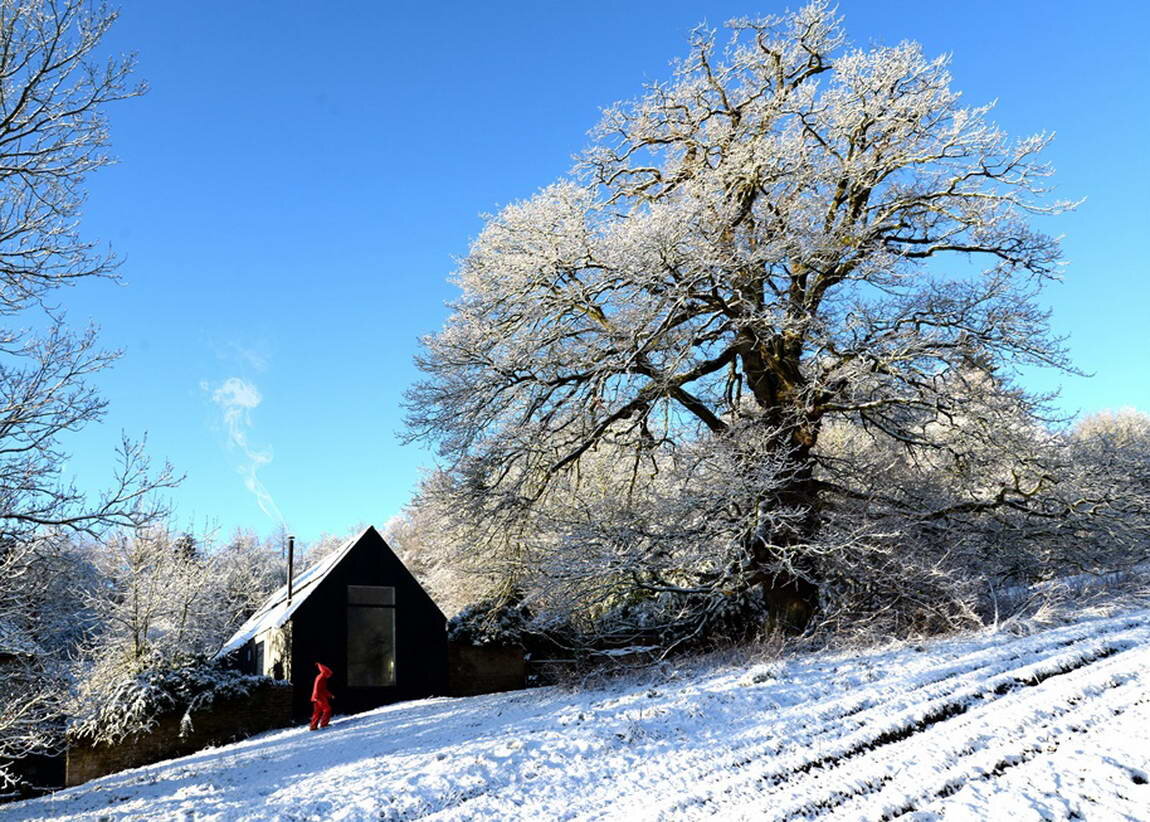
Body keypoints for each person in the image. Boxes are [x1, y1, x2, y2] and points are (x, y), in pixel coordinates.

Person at [309, 662, 334, 730]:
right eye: (329, 674)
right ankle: (324, 724)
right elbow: (320, 689)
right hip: (319, 697)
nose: (329, 676)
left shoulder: (320, 677)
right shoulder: (321, 678)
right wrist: (317, 698)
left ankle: (313, 726)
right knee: (327, 709)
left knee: (317, 712)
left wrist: (330, 695)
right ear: (326, 673)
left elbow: (322, 689)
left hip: (316, 697)